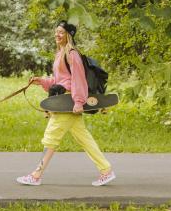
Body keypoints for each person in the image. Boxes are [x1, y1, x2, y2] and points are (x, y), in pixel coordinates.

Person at [16, 20, 116, 187]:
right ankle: (106, 171)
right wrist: (42, 81)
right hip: (63, 100)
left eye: (61, 32)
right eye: (56, 32)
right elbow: (59, 80)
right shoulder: (60, 53)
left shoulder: (72, 54)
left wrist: (78, 102)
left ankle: (36, 175)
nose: (57, 34)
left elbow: (78, 79)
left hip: (68, 102)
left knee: (51, 137)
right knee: (83, 137)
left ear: (68, 35)